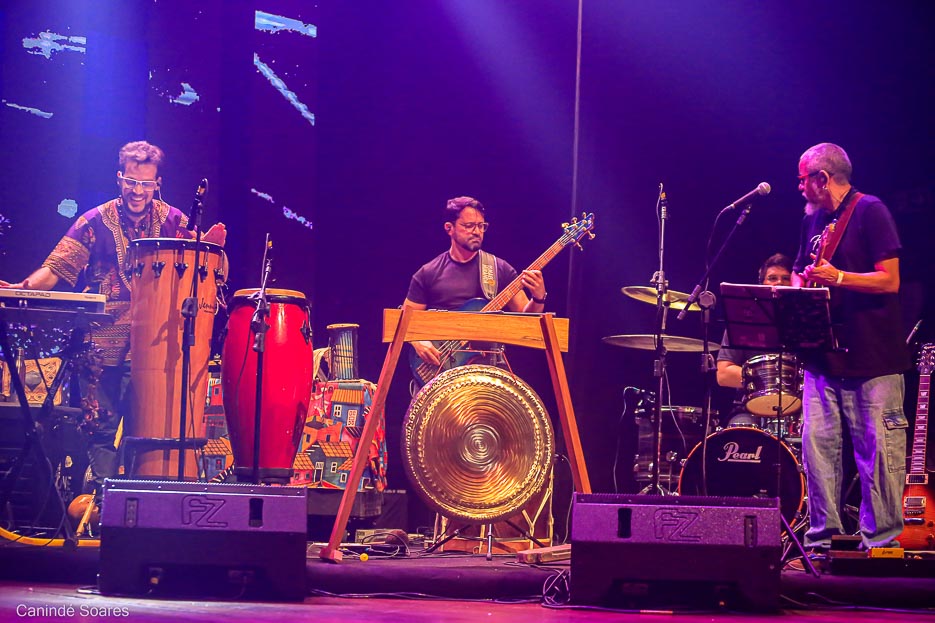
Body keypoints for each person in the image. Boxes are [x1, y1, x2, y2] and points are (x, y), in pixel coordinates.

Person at [1, 140, 226, 502]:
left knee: (145, 433)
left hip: (155, 353)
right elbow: (56, 268)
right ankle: (105, 509)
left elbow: (208, 271)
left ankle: (141, 509)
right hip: (100, 350)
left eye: (146, 183)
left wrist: (212, 248)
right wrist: (21, 288)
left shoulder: (174, 222)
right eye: (131, 182)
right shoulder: (93, 222)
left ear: (157, 183)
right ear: (119, 178)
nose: (138, 191)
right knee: (101, 433)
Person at [790, 142, 910, 551]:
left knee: (878, 456)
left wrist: (839, 277)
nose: (799, 186)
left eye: (803, 178)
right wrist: (798, 291)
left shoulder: (871, 210)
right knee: (818, 452)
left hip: (873, 358)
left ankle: (881, 544)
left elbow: (890, 280)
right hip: (823, 357)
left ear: (822, 178)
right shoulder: (812, 219)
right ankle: (821, 543)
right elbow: (798, 270)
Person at [402, 196, 546, 375]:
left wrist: (538, 297)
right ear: (449, 228)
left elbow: (527, 322)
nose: (477, 232)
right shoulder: (428, 272)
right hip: (440, 370)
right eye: (469, 226)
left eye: (481, 226)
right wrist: (418, 342)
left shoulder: (499, 269)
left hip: (487, 370)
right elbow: (404, 321)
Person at [716, 253, 796, 431]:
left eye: (786, 278)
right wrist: (770, 379)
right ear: (762, 284)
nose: (779, 283)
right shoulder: (741, 321)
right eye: (772, 278)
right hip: (749, 409)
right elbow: (723, 374)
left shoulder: (807, 320)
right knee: (740, 431)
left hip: (800, 410)